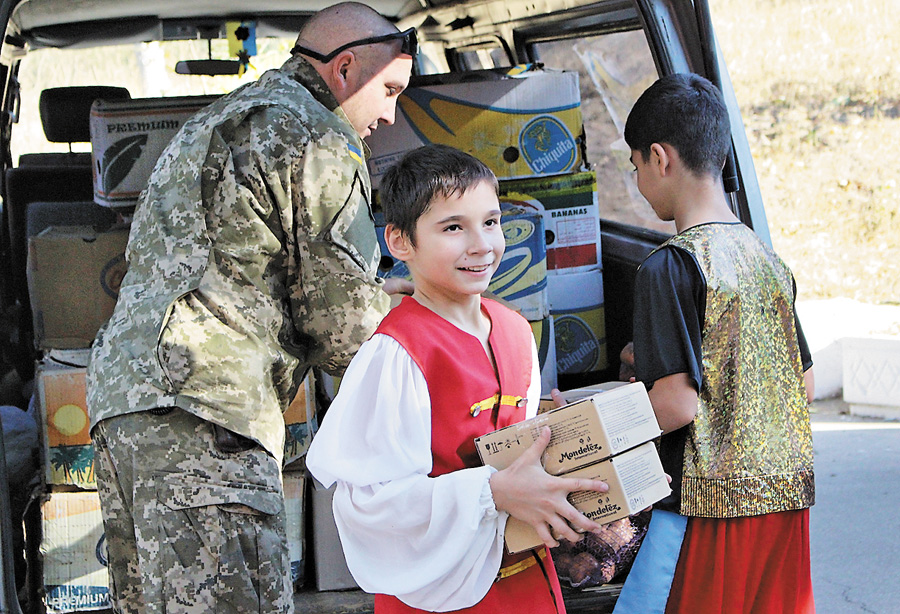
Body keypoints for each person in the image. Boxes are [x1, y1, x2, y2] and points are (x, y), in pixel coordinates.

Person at [86, 4, 416, 612]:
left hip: (123, 407)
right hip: (208, 416)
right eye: (389, 90)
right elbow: (340, 326)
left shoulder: (223, 116)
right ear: (345, 69)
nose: (389, 115)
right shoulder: (319, 137)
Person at [305, 144, 610, 613]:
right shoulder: (396, 354)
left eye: (490, 222)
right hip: (442, 597)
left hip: (531, 583)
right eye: (453, 227)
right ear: (401, 242)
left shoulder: (513, 330)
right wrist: (490, 491)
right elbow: (369, 505)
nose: (481, 245)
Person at [611, 73, 816, 614]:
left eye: (634, 167)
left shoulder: (670, 265)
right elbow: (804, 383)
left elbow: (677, 404)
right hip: (786, 505)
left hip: (706, 511)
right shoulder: (767, 261)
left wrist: (590, 431)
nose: (638, 181)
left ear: (659, 158)